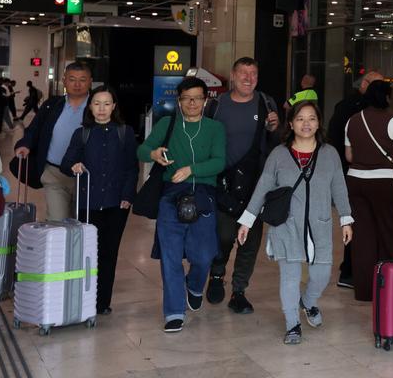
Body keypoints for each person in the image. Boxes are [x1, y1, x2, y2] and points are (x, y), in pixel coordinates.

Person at [237, 101, 353, 345]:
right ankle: (292, 324)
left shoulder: (329, 153)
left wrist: (345, 219)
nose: (306, 123)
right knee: (289, 277)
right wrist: (247, 221)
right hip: (286, 225)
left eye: (311, 118)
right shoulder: (279, 154)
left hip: (319, 224)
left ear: (319, 122)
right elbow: (263, 188)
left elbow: (339, 188)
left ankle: (308, 302)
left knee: (321, 274)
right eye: (300, 118)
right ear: (291, 123)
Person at [137, 76, 226, 333]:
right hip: (170, 197)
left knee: (204, 254)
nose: (192, 103)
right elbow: (142, 149)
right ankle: (174, 311)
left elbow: (219, 162)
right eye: (186, 98)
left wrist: (191, 170)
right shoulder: (167, 123)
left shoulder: (214, 128)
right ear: (179, 100)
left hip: (203, 197)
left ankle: (195, 285)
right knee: (170, 256)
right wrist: (153, 154)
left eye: (197, 98)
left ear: (205, 100)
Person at [205, 57, 281, 314]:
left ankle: (239, 291)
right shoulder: (217, 105)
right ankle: (217, 274)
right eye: (243, 73)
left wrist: (276, 128)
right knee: (224, 235)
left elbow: (277, 143)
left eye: (254, 73)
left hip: (256, 185)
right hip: (224, 184)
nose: (249, 79)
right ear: (233, 76)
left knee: (250, 241)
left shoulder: (266, 103)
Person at [59, 85, 138, 315]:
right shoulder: (81, 133)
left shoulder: (125, 132)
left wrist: (127, 195)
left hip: (117, 203)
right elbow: (66, 163)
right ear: (90, 107)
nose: (101, 109)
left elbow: (132, 168)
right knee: (87, 252)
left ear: (114, 107)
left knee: (109, 253)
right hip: (87, 204)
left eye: (106, 104)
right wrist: (73, 166)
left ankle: (102, 302)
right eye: (96, 103)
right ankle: (84, 298)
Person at [343, 79, 393, 303]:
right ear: (387, 97)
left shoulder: (352, 120)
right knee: (391, 232)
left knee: (363, 237)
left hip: (355, 182)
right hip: (384, 183)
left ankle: (365, 290)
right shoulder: (391, 120)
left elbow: (349, 157)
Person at [13, 62, 93, 220]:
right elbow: (34, 129)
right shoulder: (52, 105)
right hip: (54, 174)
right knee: (57, 223)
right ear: (64, 80)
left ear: (90, 81)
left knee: (82, 226)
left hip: (86, 176)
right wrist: (24, 144)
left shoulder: (97, 107)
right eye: (72, 79)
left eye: (82, 79)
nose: (77, 84)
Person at [328, 70, 382, 289]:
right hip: (352, 174)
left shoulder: (371, 109)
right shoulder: (350, 108)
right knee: (355, 222)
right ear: (365, 85)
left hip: (361, 174)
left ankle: (352, 268)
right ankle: (349, 270)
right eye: (378, 86)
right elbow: (338, 140)